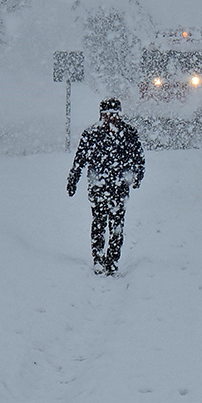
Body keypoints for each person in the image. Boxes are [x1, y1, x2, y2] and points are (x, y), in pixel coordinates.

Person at [67, 98, 145, 275]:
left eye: (114, 114)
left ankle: (113, 259)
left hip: (119, 187)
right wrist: (73, 179)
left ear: (119, 114)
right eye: (107, 114)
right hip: (98, 186)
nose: (111, 118)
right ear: (101, 115)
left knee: (117, 226)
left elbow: (138, 157)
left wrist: (138, 175)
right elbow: (80, 159)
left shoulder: (128, 133)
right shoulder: (91, 134)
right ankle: (98, 257)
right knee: (99, 222)